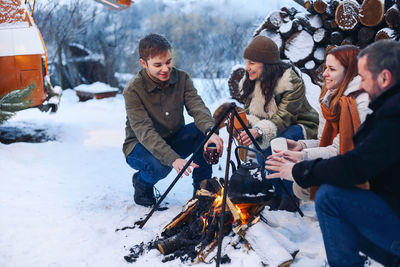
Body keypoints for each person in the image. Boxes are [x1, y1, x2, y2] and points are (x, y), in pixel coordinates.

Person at [266, 40, 400, 267]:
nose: (362, 84)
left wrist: (299, 168)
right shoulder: (381, 106)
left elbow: (354, 164)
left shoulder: (386, 112)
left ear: (385, 78)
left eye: (364, 77)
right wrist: (302, 150)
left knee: (330, 198)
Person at [122, 34, 223, 207]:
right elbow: (144, 131)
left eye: (168, 62)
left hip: (173, 137)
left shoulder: (182, 79)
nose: (165, 69)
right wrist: (172, 158)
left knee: (202, 134)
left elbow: (197, 107)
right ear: (143, 63)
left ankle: (202, 191)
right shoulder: (133, 90)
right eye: (158, 65)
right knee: (160, 166)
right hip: (140, 145)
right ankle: (141, 182)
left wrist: (210, 132)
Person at [274, 45, 371, 200]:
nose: (324, 74)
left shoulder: (359, 104)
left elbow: (339, 151)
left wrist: (301, 157)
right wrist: (301, 145)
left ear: (350, 71)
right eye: (325, 68)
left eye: (332, 69)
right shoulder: (329, 98)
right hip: (340, 164)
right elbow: (323, 142)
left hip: (365, 175)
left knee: (307, 184)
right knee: (300, 186)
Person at [237, 35, 319, 211]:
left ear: (266, 64)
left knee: (278, 140)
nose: (247, 68)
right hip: (271, 126)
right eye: (246, 62)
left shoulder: (290, 82)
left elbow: (285, 116)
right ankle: (273, 190)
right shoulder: (250, 83)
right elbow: (251, 114)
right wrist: (247, 128)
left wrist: (259, 130)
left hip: (300, 125)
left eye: (251, 63)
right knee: (262, 143)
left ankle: (290, 195)